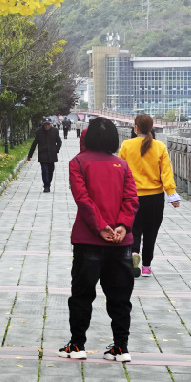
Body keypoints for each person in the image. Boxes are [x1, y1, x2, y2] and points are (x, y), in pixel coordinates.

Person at [58, 117, 139, 363]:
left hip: (88, 239)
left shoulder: (78, 163)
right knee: (120, 296)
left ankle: (77, 344)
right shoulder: (122, 165)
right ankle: (121, 347)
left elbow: (82, 198)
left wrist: (100, 227)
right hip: (121, 242)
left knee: (82, 293)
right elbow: (131, 199)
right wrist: (122, 226)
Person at [119, 114, 181, 278]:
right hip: (154, 197)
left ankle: (133, 254)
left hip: (132, 196)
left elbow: (120, 171)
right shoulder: (159, 146)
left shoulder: (126, 145)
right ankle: (146, 266)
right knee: (151, 231)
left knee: (134, 229)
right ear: (151, 128)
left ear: (136, 128)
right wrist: (171, 194)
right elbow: (166, 172)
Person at [28, 119, 62, 192]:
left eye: (48, 124)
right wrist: (29, 155)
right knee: (45, 170)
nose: (47, 126)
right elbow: (34, 143)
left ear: (50, 124)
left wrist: (56, 150)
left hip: (52, 155)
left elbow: (59, 142)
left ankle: (48, 182)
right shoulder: (39, 131)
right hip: (43, 155)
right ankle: (46, 186)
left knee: (51, 171)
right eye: (45, 124)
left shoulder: (55, 131)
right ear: (43, 124)